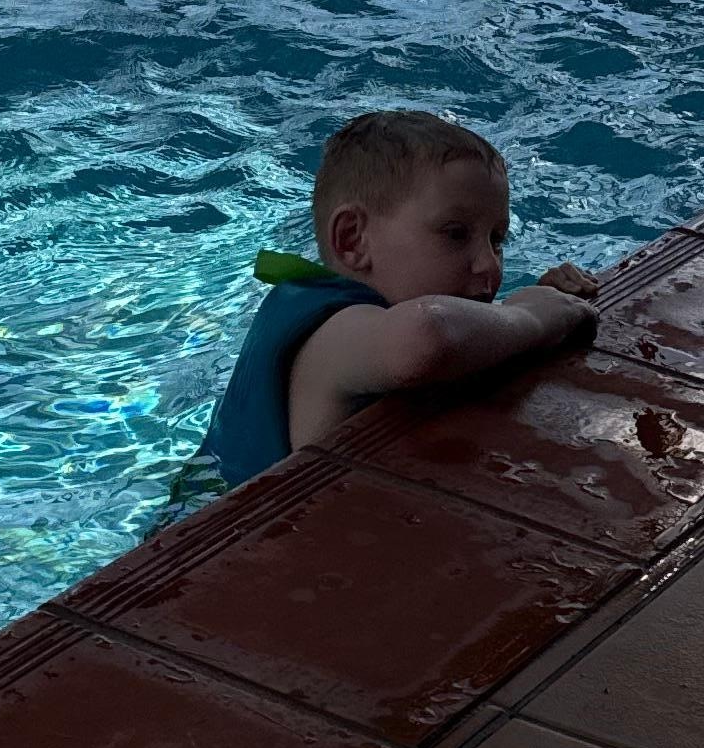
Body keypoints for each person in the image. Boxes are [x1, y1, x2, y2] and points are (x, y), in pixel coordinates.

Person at [203, 108, 601, 485]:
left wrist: (540, 299)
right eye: (455, 234)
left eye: (497, 240)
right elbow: (429, 335)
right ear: (353, 240)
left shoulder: (349, 313)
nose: (489, 265)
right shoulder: (333, 334)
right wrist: (533, 318)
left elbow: (456, 333)